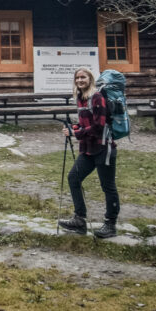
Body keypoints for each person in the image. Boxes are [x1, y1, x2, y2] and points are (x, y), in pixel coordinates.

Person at [58, 67, 120, 238]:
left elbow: (99, 127)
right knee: (73, 178)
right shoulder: (81, 98)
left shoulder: (97, 98)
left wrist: (75, 133)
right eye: (77, 78)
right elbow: (86, 124)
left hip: (103, 148)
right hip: (88, 149)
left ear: (90, 79)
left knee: (107, 186)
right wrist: (73, 127)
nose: (79, 80)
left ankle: (110, 224)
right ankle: (79, 220)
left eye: (83, 77)